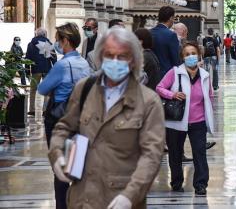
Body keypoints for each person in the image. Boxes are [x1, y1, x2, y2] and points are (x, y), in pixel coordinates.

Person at [47, 27, 165, 209]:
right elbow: (64, 127)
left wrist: (130, 196)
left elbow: (152, 156)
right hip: (82, 199)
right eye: (109, 55)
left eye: (122, 56)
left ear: (133, 60)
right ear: (101, 57)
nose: (115, 61)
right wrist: (57, 156)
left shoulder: (148, 101)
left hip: (119, 200)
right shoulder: (84, 89)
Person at [38, 22, 91, 209]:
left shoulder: (63, 65)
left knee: (60, 169)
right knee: (76, 167)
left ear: (66, 41)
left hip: (60, 120)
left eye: (58, 40)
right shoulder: (84, 63)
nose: (56, 43)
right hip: (80, 118)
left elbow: (42, 89)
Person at [156, 42, 214, 195]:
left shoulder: (205, 76)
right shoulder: (174, 73)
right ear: (182, 57)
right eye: (187, 54)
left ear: (199, 55)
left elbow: (209, 97)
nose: (190, 56)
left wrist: (209, 118)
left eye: (193, 53)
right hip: (176, 121)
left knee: (199, 153)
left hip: (198, 121)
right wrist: (172, 94)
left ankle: (200, 184)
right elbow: (159, 87)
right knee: (175, 153)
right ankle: (176, 182)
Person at [25, 28, 57, 115]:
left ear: (36, 34)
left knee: (33, 90)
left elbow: (27, 59)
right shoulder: (47, 43)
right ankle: (45, 110)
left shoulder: (31, 44)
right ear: (45, 34)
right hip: (47, 69)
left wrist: (27, 71)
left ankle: (32, 110)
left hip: (35, 70)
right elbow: (53, 58)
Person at [151, 6, 180, 78]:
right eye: (174, 18)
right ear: (170, 18)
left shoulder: (149, 32)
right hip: (166, 75)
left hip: (151, 75)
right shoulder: (171, 35)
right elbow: (175, 59)